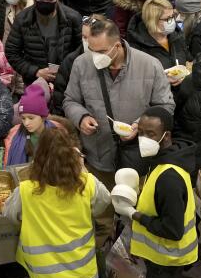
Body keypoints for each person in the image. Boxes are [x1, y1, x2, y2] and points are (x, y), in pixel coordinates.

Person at [62, 16, 174, 176]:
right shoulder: (81, 64)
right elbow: (70, 100)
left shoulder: (150, 65)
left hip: (138, 156)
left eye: (101, 51)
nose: (95, 57)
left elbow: (165, 106)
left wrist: (139, 125)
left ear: (117, 45)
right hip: (98, 155)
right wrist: (81, 118)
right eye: (92, 50)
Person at [5, 127, 110, 278]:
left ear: (38, 157)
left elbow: (11, 215)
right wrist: (82, 168)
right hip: (83, 271)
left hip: (44, 275)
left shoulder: (26, 190)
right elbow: (103, 203)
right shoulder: (87, 182)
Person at [114, 106, 199, 278]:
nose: (143, 139)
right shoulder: (164, 159)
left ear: (166, 136)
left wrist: (134, 214)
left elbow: (172, 230)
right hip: (162, 257)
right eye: (141, 133)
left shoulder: (169, 178)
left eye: (151, 134)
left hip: (166, 260)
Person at [5, 0, 82, 86]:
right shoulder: (23, 19)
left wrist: (67, 70)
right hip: (34, 82)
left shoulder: (73, 18)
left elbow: (81, 50)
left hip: (67, 81)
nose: (46, 2)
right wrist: (35, 71)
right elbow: (11, 52)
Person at [128, 0, 191, 76]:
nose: (172, 21)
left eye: (173, 16)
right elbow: (138, 78)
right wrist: (163, 81)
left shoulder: (177, 36)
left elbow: (188, 59)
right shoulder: (136, 47)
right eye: (168, 19)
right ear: (152, 21)